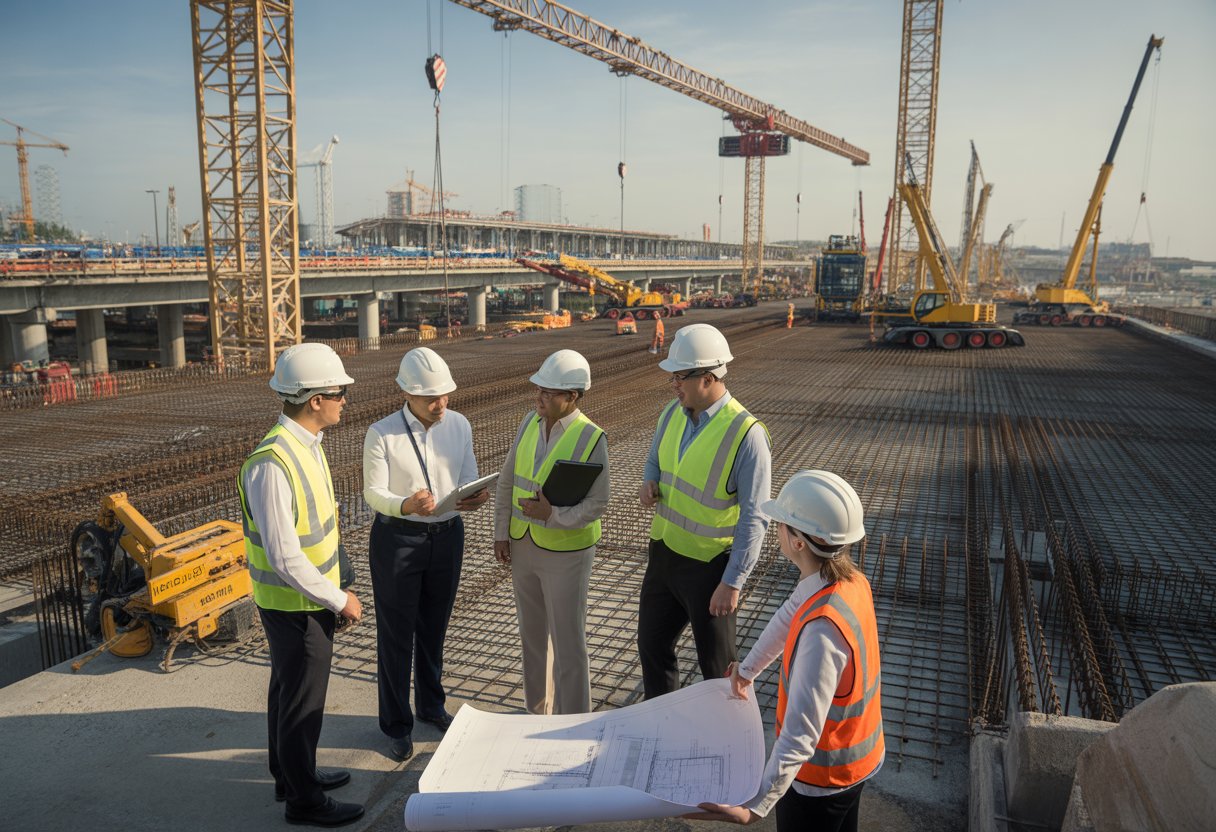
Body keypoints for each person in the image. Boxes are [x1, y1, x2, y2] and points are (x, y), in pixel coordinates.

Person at [684, 470, 883, 831]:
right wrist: (746, 670)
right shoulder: (849, 580)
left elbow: (800, 734)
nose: (776, 529)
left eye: (782, 524)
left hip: (819, 782)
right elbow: (787, 614)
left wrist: (757, 806)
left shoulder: (822, 631)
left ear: (799, 543)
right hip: (857, 759)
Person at [238, 342, 365, 828]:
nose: (344, 400)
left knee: (287, 693)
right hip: (295, 604)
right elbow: (285, 555)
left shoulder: (305, 447)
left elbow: (318, 530)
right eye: (339, 392)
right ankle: (304, 801)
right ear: (314, 399)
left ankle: (291, 774)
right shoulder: (273, 462)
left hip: (304, 599)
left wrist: (340, 573)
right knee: (302, 705)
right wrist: (339, 598)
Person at [362, 347, 489, 763]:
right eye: (432, 398)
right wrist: (405, 506)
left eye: (446, 395)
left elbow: (468, 474)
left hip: (447, 537)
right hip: (399, 541)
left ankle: (431, 707)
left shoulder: (459, 424)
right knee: (396, 635)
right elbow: (373, 492)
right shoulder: (382, 433)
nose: (442, 404)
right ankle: (396, 725)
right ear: (406, 393)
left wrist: (472, 495)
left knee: (434, 629)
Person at [636, 323, 771, 698]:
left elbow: (755, 517)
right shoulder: (672, 413)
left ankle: (724, 743)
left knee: (717, 669)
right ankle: (661, 722)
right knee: (652, 647)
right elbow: (653, 462)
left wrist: (733, 582)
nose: (674, 384)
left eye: (680, 376)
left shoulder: (747, 434)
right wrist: (649, 483)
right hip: (663, 556)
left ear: (708, 377)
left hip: (710, 569)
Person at [493, 350, 609, 715]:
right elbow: (508, 480)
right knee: (532, 637)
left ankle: (573, 720)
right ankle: (536, 712)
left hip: (566, 554)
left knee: (568, 642)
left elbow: (597, 504)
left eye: (548, 392)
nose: (538, 397)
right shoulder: (529, 422)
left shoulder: (591, 437)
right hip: (523, 545)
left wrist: (553, 515)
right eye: (537, 389)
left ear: (571, 397)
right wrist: (501, 532)